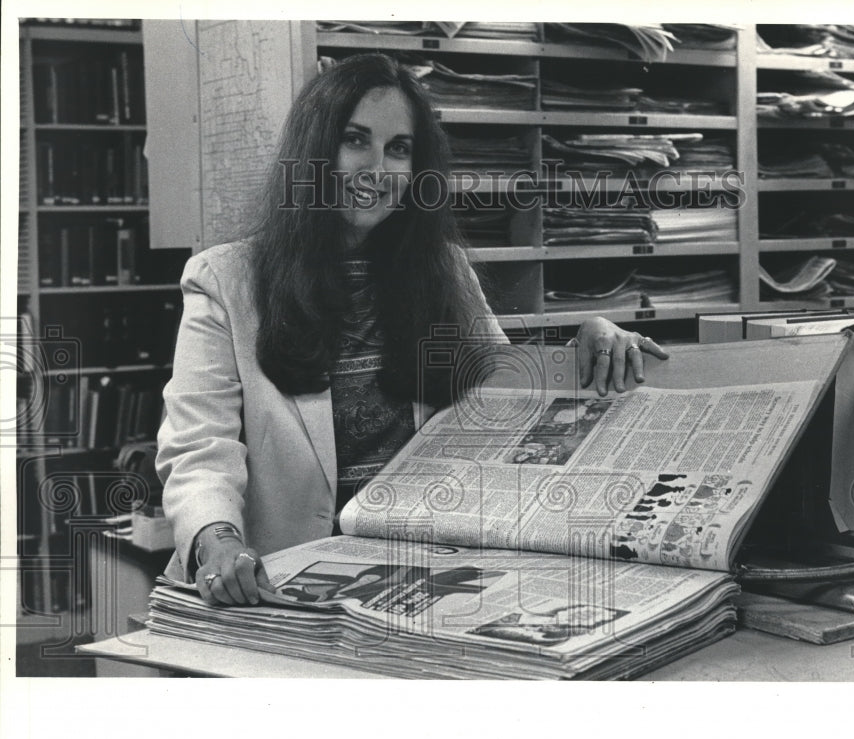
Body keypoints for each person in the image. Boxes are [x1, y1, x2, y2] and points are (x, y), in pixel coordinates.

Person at [156, 53, 668, 607]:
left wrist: (585, 343)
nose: (377, 169)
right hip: (275, 589)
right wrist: (218, 542)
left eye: (398, 149)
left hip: (414, 583)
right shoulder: (223, 280)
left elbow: (507, 399)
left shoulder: (443, 269)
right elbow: (198, 449)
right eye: (355, 140)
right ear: (314, 152)